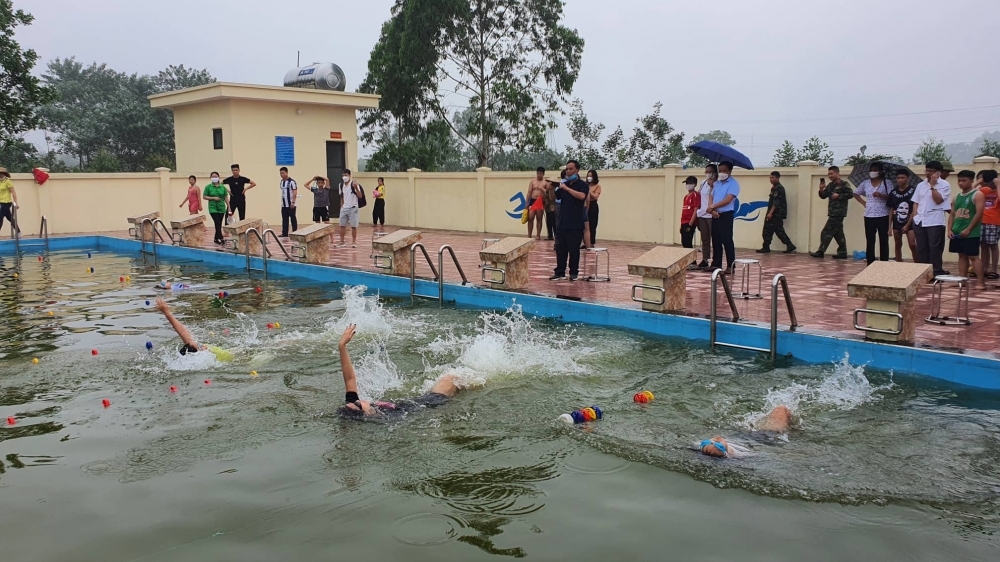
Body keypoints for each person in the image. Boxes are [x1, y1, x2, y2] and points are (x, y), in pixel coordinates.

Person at [336, 323, 465, 418]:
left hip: (417, 399)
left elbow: (350, 378)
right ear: (366, 414)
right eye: (359, 405)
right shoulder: (388, 418)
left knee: (455, 377)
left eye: (355, 401)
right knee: (453, 377)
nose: (359, 400)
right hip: (431, 402)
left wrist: (342, 346)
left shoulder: (356, 405)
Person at [153, 297, 233, 361]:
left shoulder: (204, 355)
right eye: (200, 347)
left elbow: (183, 332)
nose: (203, 346)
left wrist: (166, 313)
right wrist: (167, 313)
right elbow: (184, 334)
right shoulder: (209, 356)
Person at [699, 405, 792, 458]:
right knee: (782, 409)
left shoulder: (705, 449)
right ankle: (793, 428)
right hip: (759, 440)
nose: (717, 438)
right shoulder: (737, 455)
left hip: (741, 439)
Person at [911, 160, 952, 276]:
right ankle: (925, 272)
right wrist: (915, 217)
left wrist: (933, 186)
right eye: (927, 170)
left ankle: (936, 271)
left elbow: (938, 200)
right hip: (920, 220)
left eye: (931, 171)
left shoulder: (944, 185)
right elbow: (915, 202)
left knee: (934, 248)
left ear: (938, 173)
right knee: (922, 247)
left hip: (935, 220)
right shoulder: (920, 185)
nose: (928, 173)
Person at [550, 160, 589, 281]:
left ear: (577, 170)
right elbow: (554, 198)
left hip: (575, 224)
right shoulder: (563, 185)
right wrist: (551, 189)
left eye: (571, 169)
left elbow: (582, 196)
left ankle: (573, 272)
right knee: (560, 249)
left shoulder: (582, 185)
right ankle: (560, 271)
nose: (568, 171)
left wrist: (567, 189)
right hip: (562, 223)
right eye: (567, 169)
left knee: (573, 250)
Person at [948, 170, 986, 290]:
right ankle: (962, 280)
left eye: (964, 180)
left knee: (973, 256)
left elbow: (979, 213)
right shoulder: (957, 197)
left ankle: (981, 282)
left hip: (971, 232)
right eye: (959, 180)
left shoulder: (977, 194)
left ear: (971, 181)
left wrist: (969, 229)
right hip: (957, 232)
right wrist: (949, 229)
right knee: (962, 256)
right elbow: (952, 214)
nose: (961, 183)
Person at [809, 166, 853, 259]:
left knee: (826, 232)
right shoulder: (830, 185)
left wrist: (839, 196)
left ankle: (821, 251)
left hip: (839, 212)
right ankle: (842, 252)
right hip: (832, 212)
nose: (830, 176)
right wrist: (821, 189)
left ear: (837, 173)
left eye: (832, 173)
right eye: (829, 174)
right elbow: (823, 196)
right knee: (838, 233)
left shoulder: (844, 183)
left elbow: (850, 194)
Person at [852, 162, 891, 265]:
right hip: (869, 215)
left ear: (880, 171)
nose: (872, 172)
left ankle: (884, 262)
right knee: (870, 240)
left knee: (883, 239)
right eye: (871, 170)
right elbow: (856, 193)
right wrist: (863, 202)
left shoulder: (887, 182)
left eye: (875, 170)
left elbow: (892, 197)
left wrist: (881, 195)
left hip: (883, 214)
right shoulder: (865, 183)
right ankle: (870, 262)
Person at [706, 161, 740, 272]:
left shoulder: (733, 184)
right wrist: (712, 210)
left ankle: (731, 265)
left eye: (724, 171)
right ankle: (716, 264)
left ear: (730, 171)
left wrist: (713, 206)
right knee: (716, 240)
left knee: (727, 240)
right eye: (720, 170)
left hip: (726, 215)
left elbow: (728, 199)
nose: (721, 173)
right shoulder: (718, 183)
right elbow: (711, 195)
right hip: (715, 214)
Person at [757, 171, 796, 254]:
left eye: (773, 177)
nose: (771, 179)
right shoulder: (774, 187)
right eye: (770, 177)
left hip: (775, 214)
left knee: (768, 230)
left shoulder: (778, 188)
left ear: (778, 178)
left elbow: (776, 202)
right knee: (778, 231)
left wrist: (770, 213)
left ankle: (766, 247)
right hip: (776, 214)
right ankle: (789, 245)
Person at [888, 170, 917, 262]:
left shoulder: (913, 191)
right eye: (898, 178)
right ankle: (899, 263)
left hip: (911, 221)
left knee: (912, 244)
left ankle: (918, 264)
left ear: (908, 178)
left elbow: (915, 208)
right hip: (897, 222)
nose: (900, 180)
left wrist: (908, 225)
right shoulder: (893, 192)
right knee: (897, 244)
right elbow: (891, 209)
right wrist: (889, 226)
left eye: (902, 178)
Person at [977, 170, 999, 280]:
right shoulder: (984, 190)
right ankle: (984, 268)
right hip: (982, 221)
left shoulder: (998, 190)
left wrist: (998, 184)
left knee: (993, 246)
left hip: (994, 222)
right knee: (983, 245)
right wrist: (979, 182)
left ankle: (994, 269)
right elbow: (969, 192)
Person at [695, 164, 716, 268]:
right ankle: (705, 259)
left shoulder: (718, 184)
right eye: (706, 171)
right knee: (705, 239)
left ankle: (715, 260)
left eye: (710, 171)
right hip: (702, 214)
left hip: (712, 215)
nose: (708, 173)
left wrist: (712, 186)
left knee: (715, 238)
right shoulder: (703, 183)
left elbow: (715, 197)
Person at [337, 169, 363, 247]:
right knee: (342, 225)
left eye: (346, 175)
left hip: (353, 207)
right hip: (344, 208)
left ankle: (354, 242)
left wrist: (356, 188)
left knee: (353, 226)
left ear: (349, 176)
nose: (344, 177)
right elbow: (341, 196)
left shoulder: (354, 184)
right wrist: (342, 206)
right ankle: (341, 241)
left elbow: (360, 196)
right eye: (343, 175)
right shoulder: (341, 185)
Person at [202, 172, 229, 245]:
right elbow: (204, 196)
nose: (214, 178)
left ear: (218, 177)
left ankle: (216, 238)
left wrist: (229, 207)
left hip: (221, 207)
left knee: (219, 224)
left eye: (216, 176)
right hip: (212, 207)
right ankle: (221, 238)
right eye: (213, 176)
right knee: (217, 222)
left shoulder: (222, 187)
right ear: (210, 178)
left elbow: (226, 197)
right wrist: (213, 198)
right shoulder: (208, 187)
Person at [525, 168, 548, 240]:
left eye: (540, 173)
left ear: (543, 174)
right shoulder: (532, 181)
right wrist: (526, 202)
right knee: (530, 218)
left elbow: (547, 193)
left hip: (540, 201)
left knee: (539, 218)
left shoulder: (545, 182)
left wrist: (541, 188)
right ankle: (529, 235)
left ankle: (538, 235)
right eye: (538, 173)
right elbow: (529, 192)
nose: (539, 175)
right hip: (532, 200)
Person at [680, 176, 700, 250]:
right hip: (683, 222)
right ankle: (688, 260)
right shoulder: (686, 197)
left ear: (695, 184)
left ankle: (693, 260)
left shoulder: (695, 195)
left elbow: (696, 210)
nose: (688, 185)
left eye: (690, 183)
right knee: (684, 242)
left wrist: (690, 224)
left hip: (689, 222)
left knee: (688, 242)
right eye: (687, 183)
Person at [582, 169, 601, 247]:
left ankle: (591, 243)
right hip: (585, 205)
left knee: (592, 224)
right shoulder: (585, 185)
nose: (589, 177)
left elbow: (595, 197)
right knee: (585, 224)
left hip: (593, 205)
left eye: (591, 176)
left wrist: (589, 191)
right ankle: (585, 242)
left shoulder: (597, 186)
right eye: (588, 176)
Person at [0, 167, 20, 235]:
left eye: (1, 173)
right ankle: (19, 232)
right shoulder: (0, 182)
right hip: (1, 202)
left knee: (0, 217)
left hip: (6, 202)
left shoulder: (8, 182)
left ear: (3, 174)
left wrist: (16, 203)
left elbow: (13, 192)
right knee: (10, 218)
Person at [278, 167, 297, 238]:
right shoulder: (282, 181)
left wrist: (293, 202)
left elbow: (295, 192)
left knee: (293, 219)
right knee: (284, 219)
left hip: (291, 204)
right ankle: (285, 233)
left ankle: (295, 232)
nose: (281, 174)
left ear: (286, 172)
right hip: (284, 204)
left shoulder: (292, 182)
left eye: (283, 173)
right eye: (280, 173)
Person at [542, 173, 557, 241]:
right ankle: (550, 235)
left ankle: (556, 235)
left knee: (554, 221)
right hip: (547, 207)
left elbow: (552, 198)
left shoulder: (554, 190)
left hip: (553, 207)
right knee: (548, 221)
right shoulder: (547, 190)